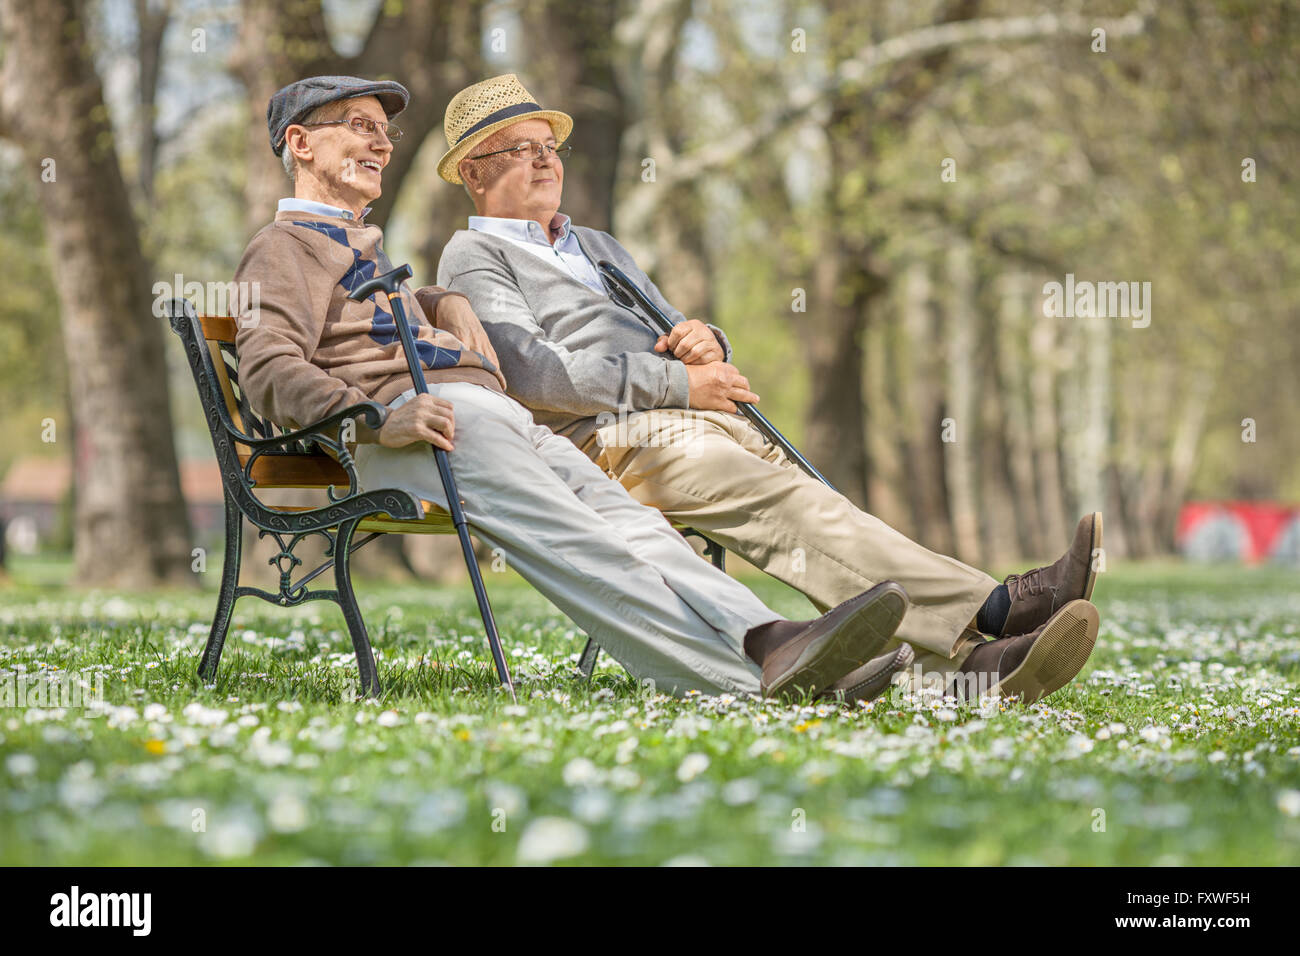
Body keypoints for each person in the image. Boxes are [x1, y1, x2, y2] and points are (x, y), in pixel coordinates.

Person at [231, 74, 916, 703]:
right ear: (300, 144)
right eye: (358, 125)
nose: (380, 142)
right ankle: (750, 677)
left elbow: (366, 323)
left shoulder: (360, 246)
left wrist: (439, 303)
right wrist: (379, 418)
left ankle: (774, 643)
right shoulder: (281, 248)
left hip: (482, 417)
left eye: (384, 130)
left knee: (629, 523)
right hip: (410, 432)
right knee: (578, 538)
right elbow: (266, 371)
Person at [435, 74, 1103, 703]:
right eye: (519, 149)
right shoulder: (475, 255)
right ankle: (999, 606)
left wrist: (706, 341)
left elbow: (672, 327)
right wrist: (678, 381)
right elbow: (533, 375)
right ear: (474, 171)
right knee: (791, 504)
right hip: (606, 442)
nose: (545, 161)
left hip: (695, 418)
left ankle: (971, 670)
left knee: (819, 511)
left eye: (550, 146)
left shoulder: (599, 245)